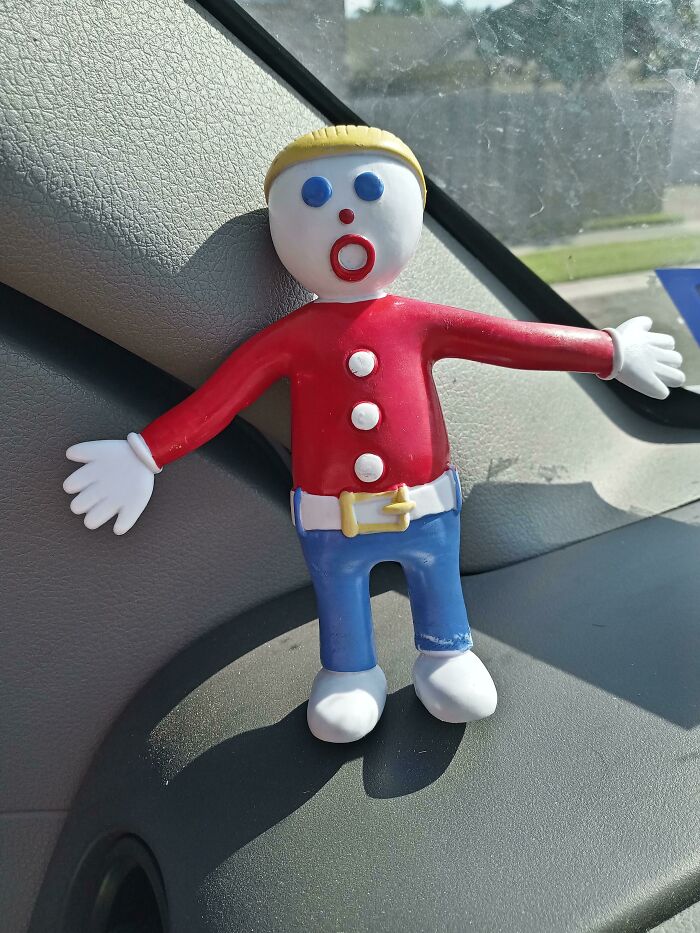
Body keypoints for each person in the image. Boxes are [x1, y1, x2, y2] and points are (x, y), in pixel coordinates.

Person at [63, 125, 685, 743]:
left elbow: (512, 341)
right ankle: (349, 671)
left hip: (425, 506)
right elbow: (220, 399)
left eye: (367, 191)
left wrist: (608, 351)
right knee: (340, 596)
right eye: (313, 198)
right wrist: (144, 455)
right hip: (333, 516)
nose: (342, 213)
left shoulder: (418, 322)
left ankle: (447, 652)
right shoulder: (292, 338)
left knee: (437, 582)